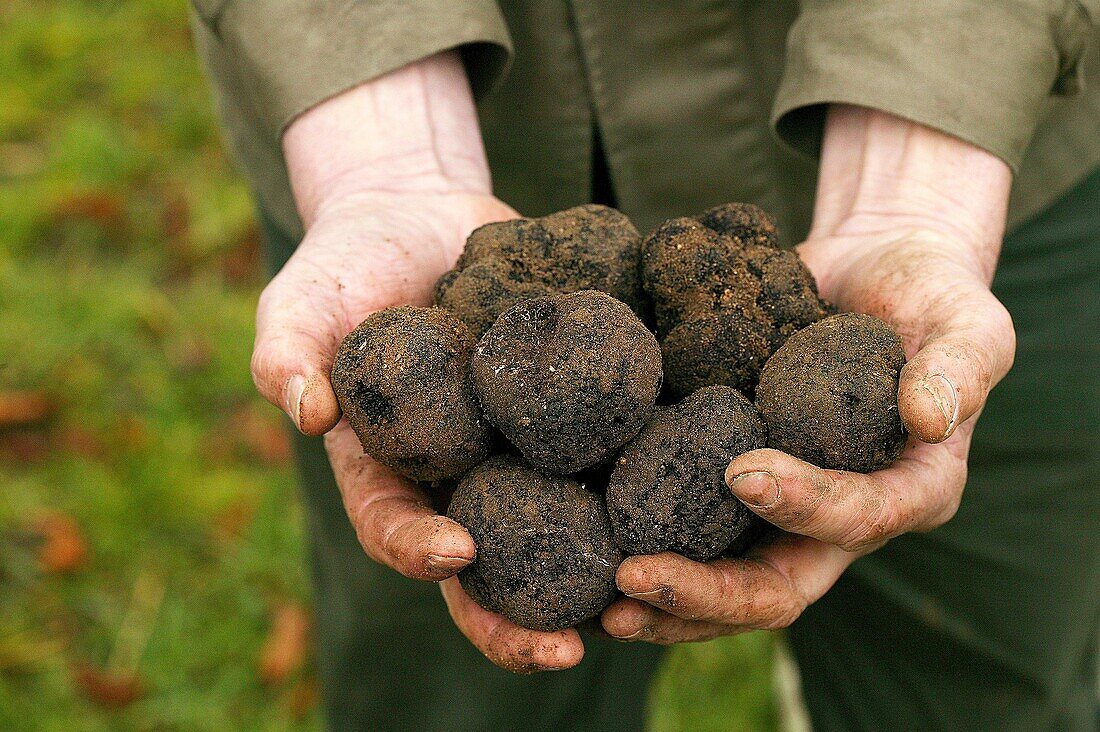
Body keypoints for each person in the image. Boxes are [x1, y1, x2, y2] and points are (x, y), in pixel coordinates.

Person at [191, 2, 1100, 729]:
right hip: (403, 155)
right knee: (446, 696)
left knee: (980, 681)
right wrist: (380, 151)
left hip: (975, 158)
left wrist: (921, 171)